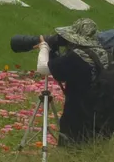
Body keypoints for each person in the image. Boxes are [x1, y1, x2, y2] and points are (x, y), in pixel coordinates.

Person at [36, 17, 107, 146]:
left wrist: (44, 47)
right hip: (100, 113)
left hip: (78, 116)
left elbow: (43, 68)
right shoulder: (103, 52)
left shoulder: (77, 56)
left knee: (74, 150)